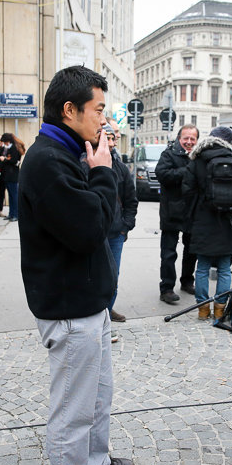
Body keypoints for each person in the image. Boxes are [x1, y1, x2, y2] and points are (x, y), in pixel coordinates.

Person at [18, 65, 136, 465]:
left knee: (99, 395)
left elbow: (107, 213)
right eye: (98, 109)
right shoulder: (48, 159)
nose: (104, 119)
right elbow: (90, 229)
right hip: (69, 308)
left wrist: (103, 163)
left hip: (90, 301)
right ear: (69, 110)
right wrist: (103, 171)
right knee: (72, 409)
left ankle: (95, 464)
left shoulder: (73, 150)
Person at [182, 126, 232, 320]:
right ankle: (220, 308)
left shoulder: (197, 160)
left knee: (202, 267)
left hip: (202, 221)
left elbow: (187, 191)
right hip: (228, 222)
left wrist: (195, 211)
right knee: (224, 268)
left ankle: (203, 309)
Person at [155, 124, 199, 303]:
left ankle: (187, 281)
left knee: (191, 251)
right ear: (179, 139)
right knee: (168, 253)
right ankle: (166, 288)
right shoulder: (169, 154)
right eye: (185, 138)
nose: (189, 142)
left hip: (192, 211)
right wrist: (186, 171)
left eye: (192, 139)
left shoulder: (199, 156)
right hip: (171, 212)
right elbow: (162, 174)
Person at [103, 123, 138, 323]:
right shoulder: (84, 161)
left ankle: (107, 311)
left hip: (115, 233)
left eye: (112, 138)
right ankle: (98, 317)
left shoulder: (120, 167)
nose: (110, 142)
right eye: (106, 137)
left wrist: (125, 227)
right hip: (94, 233)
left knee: (112, 277)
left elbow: (131, 200)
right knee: (94, 277)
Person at [0, 132, 24, 221]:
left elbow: (13, 160)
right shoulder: (11, 148)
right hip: (9, 175)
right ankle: (11, 214)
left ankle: (16, 215)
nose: (4, 144)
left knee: (14, 196)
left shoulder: (14, 148)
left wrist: (4, 159)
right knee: (10, 195)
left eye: (5, 142)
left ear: (8, 141)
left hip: (12, 175)